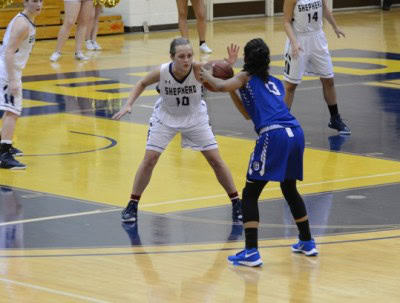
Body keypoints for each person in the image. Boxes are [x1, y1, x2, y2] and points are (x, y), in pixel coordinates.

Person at [201, 38, 318, 267]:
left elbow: (221, 86)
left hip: (274, 135)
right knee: (289, 187)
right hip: (295, 132)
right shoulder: (274, 82)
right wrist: (231, 86)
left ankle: (251, 251)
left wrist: (206, 75)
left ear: (248, 58)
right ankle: (307, 241)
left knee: (250, 193)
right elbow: (247, 113)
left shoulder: (245, 78)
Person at [113, 37, 242, 222]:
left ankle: (236, 203)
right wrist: (128, 104)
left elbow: (218, 71)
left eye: (189, 55)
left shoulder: (199, 69)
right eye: (181, 56)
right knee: (149, 159)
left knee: (216, 160)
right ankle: (132, 204)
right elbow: (141, 83)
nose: (186, 60)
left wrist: (228, 64)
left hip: (195, 117)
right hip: (165, 118)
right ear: (172, 57)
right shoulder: (163, 71)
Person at [282, 0, 351, 135]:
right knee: (290, 86)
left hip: (317, 38)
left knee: (328, 79)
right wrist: (294, 42)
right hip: (299, 39)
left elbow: (325, 9)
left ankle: (335, 118)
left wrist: (335, 27)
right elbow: (286, 22)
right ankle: (282, 121)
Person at [0, 0, 43, 169]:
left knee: (11, 109)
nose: (38, 4)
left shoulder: (27, 20)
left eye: (40, 0)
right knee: (13, 111)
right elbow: (9, 51)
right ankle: (4, 154)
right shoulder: (22, 24)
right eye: (34, 1)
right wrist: (12, 79)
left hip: (10, 69)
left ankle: (4, 145)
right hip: (7, 71)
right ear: (25, 2)